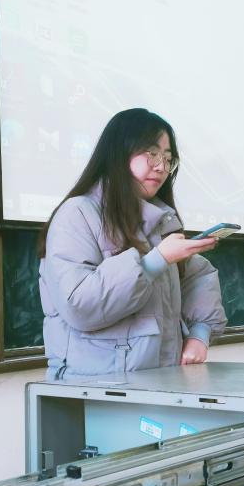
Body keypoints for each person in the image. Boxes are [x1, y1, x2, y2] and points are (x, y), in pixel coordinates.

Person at [38, 108, 226, 379]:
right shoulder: (77, 213)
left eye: (168, 158)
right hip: (97, 386)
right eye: (152, 154)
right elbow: (79, 305)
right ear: (119, 152)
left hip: (162, 381)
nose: (161, 167)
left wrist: (200, 334)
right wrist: (155, 261)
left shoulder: (160, 220)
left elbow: (199, 276)